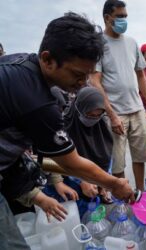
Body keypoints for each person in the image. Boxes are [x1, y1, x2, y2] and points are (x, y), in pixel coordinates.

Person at [0, 13, 134, 250]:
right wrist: (114, 184)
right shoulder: (37, 101)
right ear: (48, 59)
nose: (83, 83)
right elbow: (69, 162)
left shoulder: (19, 68)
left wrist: (35, 196)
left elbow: (43, 157)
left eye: (87, 75)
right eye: (76, 74)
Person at [90, 0, 146, 191]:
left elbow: (140, 74)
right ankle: (122, 197)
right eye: (120, 16)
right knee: (118, 162)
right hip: (115, 113)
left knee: (140, 156)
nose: (124, 20)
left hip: (136, 109)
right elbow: (95, 81)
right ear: (107, 18)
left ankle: (139, 192)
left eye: (125, 16)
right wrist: (111, 114)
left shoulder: (132, 42)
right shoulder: (99, 45)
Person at [44, 86, 114, 216]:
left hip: (91, 185)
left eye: (98, 115)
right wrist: (80, 179)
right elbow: (48, 158)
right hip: (65, 184)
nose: (93, 119)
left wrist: (104, 180)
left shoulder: (102, 126)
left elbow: (107, 156)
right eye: (89, 115)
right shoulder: (62, 127)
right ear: (78, 108)